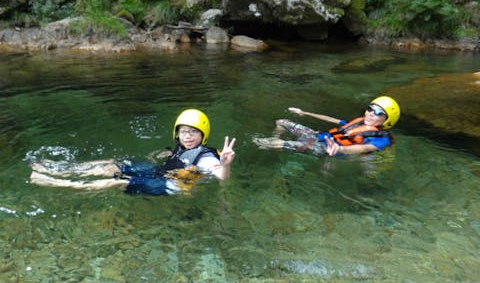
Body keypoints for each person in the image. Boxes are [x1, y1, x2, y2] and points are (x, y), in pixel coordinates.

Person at [30, 109, 236, 195]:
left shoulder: (206, 157)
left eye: (193, 132)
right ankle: (60, 169)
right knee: (114, 164)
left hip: (174, 186)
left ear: (203, 135)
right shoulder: (182, 148)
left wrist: (225, 165)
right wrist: (160, 156)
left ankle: (57, 182)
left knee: (118, 181)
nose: (188, 136)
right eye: (183, 132)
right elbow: (175, 158)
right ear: (177, 133)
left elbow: (220, 176)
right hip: (162, 172)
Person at [253, 96, 400, 156]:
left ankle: (264, 148)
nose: (371, 113)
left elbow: (365, 148)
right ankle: (270, 143)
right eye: (370, 108)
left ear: (387, 119)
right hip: (316, 137)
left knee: (273, 144)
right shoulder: (357, 123)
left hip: (325, 148)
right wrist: (305, 113)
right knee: (281, 122)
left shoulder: (382, 138)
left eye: (379, 112)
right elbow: (332, 120)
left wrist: (340, 148)